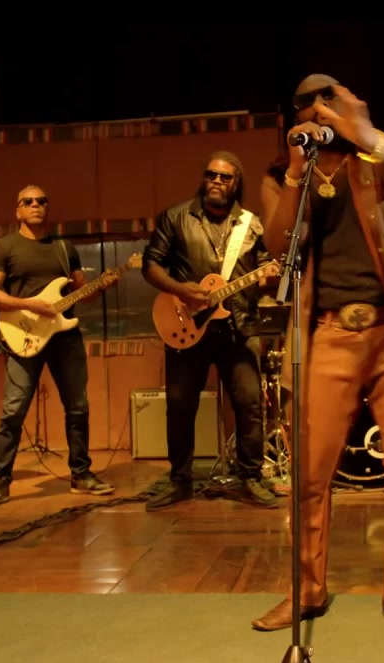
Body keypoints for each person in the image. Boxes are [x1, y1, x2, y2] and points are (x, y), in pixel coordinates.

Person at [253, 74, 384, 639]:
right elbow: (280, 246)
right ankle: (306, 590)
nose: (319, 113)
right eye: (308, 107)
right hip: (326, 334)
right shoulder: (283, 175)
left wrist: (362, 129)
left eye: (329, 102)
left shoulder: (375, 156)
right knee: (309, 475)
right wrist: (295, 174)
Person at [141, 151, 280, 511]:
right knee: (180, 406)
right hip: (187, 326)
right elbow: (150, 265)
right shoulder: (176, 217)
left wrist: (270, 275)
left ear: (237, 184)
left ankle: (251, 477)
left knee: (249, 405)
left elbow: (266, 269)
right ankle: (180, 480)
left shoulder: (251, 225)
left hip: (239, 327)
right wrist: (180, 290)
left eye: (224, 177)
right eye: (211, 175)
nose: (216, 181)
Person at [0, 185, 119, 509]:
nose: (35, 205)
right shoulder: (5, 246)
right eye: (28, 201)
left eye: (41, 201)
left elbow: (81, 291)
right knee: (13, 410)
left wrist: (102, 285)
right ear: (18, 210)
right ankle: (0, 481)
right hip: (23, 334)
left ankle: (81, 474)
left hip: (65, 337)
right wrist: (30, 305)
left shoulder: (64, 248)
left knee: (78, 406)